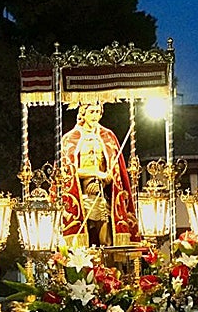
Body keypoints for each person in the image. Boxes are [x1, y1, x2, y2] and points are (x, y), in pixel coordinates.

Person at [60, 101, 139, 247]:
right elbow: (68, 171)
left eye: (98, 112)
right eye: (91, 112)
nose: (95, 116)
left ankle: (107, 257)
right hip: (81, 193)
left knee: (104, 226)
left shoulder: (107, 136)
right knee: (84, 236)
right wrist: (96, 174)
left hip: (101, 191)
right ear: (83, 113)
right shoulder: (70, 139)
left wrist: (105, 179)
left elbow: (115, 169)